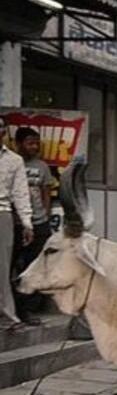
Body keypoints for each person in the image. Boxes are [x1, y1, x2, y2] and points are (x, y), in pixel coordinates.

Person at [14, 128, 52, 323]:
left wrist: (44, 215)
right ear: (19, 143)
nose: (34, 147)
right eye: (30, 143)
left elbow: (46, 192)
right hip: (15, 223)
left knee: (36, 264)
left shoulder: (41, 167)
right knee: (12, 265)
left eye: (37, 143)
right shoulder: (12, 162)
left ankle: (27, 308)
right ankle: (10, 307)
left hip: (38, 223)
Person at [0, 118, 34, 332]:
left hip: (2, 213)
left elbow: (21, 194)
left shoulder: (13, 160)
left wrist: (27, 223)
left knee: (2, 268)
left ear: (4, 133)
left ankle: (7, 316)